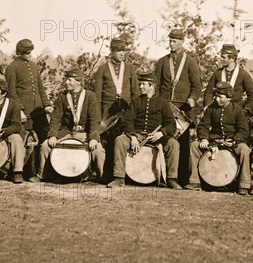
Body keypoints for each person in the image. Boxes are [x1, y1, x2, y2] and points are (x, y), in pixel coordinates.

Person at [108, 71, 180, 188]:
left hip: (156, 137)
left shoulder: (163, 104)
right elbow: (128, 121)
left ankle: (171, 179)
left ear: (151, 86)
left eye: (143, 84)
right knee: (120, 140)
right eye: (140, 84)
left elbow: (171, 124)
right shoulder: (135, 102)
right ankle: (119, 177)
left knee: (174, 144)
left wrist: (161, 133)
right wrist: (133, 137)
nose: (140, 87)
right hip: (138, 134)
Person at [37, 66, 105, 181]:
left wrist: (93, 137)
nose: (66, 82)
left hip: (84, 132)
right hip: (67, 132)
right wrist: (53, 135)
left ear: (78, 81)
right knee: (45, 146)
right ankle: (43, 175)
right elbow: (56, 118)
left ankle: (100, 176)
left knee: (98, 150)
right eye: (66, 79)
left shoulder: (90, 96)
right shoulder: (62, 96)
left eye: (69, 80)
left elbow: (94, 119)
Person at [154, 28, 202, 184]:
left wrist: (193, 99)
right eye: (170, 41)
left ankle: (180, 178)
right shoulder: (162, 61)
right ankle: (162, 176)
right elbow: (157, 85)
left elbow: (197, 86)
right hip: (166, 109)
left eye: (174, 41)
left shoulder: (190, 62)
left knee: (183, 144)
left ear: (182, 42)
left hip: (183, 111)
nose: (171, 44)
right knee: (166, 140)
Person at [188, 82, 251, 193]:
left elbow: (243, 131)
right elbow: (203, 125)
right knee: (194, 146)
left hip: (232, 142)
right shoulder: (211, 108)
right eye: (216, 96)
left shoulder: (237, 110)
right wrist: (204, 138)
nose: (216, 99)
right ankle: (195, 181)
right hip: (214, 141)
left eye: (220, 97)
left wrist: (234, 140)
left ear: (229, 98)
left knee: (244, 150)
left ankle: (244, 185)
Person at [5, 39, 53, 180]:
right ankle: (17, 172)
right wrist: (19, 110)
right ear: (19, 52)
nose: (29, 54)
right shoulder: (12, 67)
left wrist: (47, 104)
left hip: (38, 110)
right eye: (26, 52)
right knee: (20, 139)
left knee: (46, 137)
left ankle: (46, 171)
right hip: (23, 111)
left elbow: (40, 88)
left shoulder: (34, 66)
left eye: (30, 51)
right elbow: (11, 92)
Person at [93, 38, 139, 181]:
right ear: (111, 52)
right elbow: (97, 96)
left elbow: (135, 93)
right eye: (118, 51)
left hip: (125, 112)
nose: (122, 53)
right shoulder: (103, 69)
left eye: (123, 50)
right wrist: (99, 117)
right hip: (108, 113)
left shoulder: (130, 68)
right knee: (110, 142)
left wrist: (134, 113)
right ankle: (107, 175)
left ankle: (125, 175)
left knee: (123, 141)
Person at [203, 44, 253, 117]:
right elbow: (209, 92)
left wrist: (245, 111)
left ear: (232, 58)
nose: (221, 59)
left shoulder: (243, 74)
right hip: (218, 113)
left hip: (236, 113)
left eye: (223, 57)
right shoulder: (217, 73)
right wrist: (208, 106)